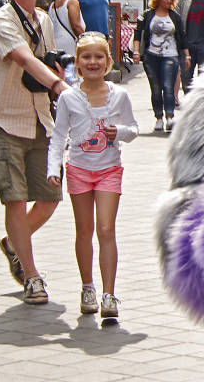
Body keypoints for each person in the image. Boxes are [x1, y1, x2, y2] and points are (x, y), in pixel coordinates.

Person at [0, 0, 69, 305]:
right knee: (15, 198)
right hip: (4, 120)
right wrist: (60, 87)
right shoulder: (0, 21)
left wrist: (60, 77)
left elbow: (44, 61)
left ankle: (14, 242)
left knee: (49, 197)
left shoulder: (43, 19)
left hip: (40, 118)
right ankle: (31, 276)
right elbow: (24, 59)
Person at [47, 32, 138, 319]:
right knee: (84, 230)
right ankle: (88, 288)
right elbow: (58, 135)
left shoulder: (119, 95)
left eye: (99, 56)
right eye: (86, 57)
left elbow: (133, 129)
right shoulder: (68, 98)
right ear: (77, 63)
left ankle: (109, 295)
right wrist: (53, 168)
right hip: (79, 170)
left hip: (109, 169)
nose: (93, 62)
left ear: (108, 61)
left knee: (106, 229)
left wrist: (118, 132)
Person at [133, 0, 190, 132]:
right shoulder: (147, 15)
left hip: (170, 55)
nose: (169, 1)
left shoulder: (175, 17)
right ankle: (159, 118)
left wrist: (187, 55)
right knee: (156, 88)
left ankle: (170, 117)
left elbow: (182, 37)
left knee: (168, 86)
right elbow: (138, 34)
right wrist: (136, 52)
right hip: (151, 56)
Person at [47, 0, 85, 80]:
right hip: (69, 45)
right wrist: (86, 42)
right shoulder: (72, 2)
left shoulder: (53, 5)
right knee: (72, 77)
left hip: (55, 44)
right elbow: (76, 26)